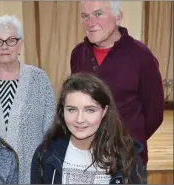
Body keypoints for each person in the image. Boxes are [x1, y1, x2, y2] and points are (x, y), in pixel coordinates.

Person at [70, 1, 164, 182]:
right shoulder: (78, 54)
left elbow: (154, 113)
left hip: (127, 160)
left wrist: (128, 139)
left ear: (118, 17)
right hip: (85, 157)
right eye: (85, 16)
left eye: (98, 14)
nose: (90, 22)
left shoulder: (141, 56)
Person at [0, 15, 56, 184]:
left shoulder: (39, 79)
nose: (4, 46)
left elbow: (51, 126)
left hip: (31, 169)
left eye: (11, 40)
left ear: (20, 44)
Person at [31, 73, 145, 184]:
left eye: (90, 110)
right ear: (62, 111)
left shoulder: (127, 155)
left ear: (104, 111)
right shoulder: (45, 154)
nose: (80, 119)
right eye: (72, 110)